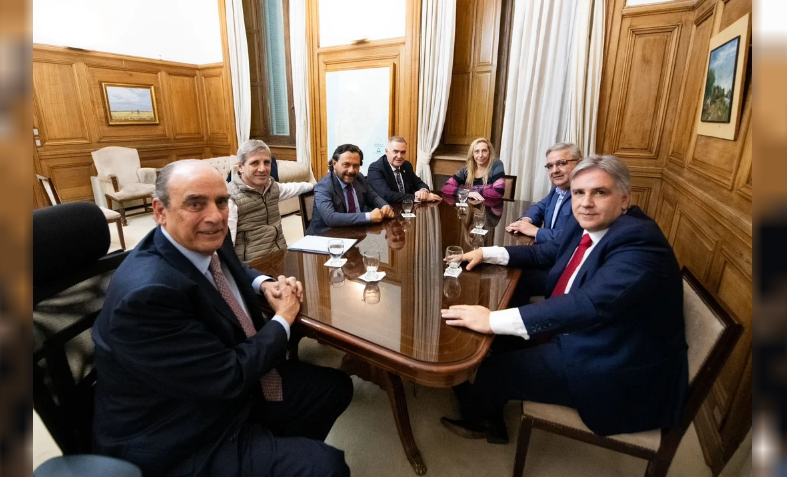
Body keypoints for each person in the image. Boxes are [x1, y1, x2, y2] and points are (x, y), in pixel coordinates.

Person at [92, 160, 353, 477]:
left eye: (221, 201)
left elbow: (231, 268)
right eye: (195, 203)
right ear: (159, 211)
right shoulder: (147, 296)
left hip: (217, 389)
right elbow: (229, 375)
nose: (215, 215)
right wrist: (282, 319)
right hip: (180, 432)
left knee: (334, 387)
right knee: (327, 468)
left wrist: (265, 283)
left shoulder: (206, 235)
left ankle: (274, 449)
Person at [439, 155, 688, 444]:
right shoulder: (585, 222)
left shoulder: (640, 242)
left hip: (610, 357)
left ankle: (483, 422)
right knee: (501, 341)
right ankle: (488, 400)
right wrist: (486, 253)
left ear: (624, 199)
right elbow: (544, 253)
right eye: (579, 192)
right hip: (587, 328)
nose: (585, 202)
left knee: (497, 367)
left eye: (600, 192)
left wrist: (491, 319)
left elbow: (588, 304)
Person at [228, 140, 313, 262]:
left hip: (280, 257)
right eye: (255, 163)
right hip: (253, 268)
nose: (262, 169)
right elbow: (226, 247)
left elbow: (295, 188)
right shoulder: (230, 198)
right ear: (241, 167)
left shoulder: (272, 187)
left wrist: (315, 185)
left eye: (266, 162)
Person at [307, 143, 395, 235]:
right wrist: (368, 216)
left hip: (354, 233)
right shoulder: (324, 186)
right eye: (346, 165)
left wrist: (385, 207)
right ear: (334, 163)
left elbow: (373, 197)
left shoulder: (359, 178)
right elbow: (330, 218)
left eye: (356, 166)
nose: (351, 170)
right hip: (325, 237)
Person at [506, 142, 582, 243]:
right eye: (550, 166)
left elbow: (576, 238)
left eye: (562, 163)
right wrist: (526, 221)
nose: (555, 170)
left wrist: (536, 232)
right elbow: (540, 207)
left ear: (579, 164)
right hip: (546, 250)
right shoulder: (557, 189)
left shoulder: (585, 195)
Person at [366, 136, 441, 203]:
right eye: (395, 151)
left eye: (403, 152)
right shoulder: (376, 168)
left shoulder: (406, 165)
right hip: (386, 210)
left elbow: (418, 183)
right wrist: (418, 198)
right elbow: (386, 195)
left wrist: (423, 191)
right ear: (387, 152)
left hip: (407, 209)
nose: (399, 156)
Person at [441, 138, 506, 200]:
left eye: (484, 151)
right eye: (477, 151)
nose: (480, 155)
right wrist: (468, 193)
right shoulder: (466, 169)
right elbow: (446, 187)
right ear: (472, 154)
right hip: (469, 208)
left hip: (489, 209)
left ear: (489, 153)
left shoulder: (496, 165)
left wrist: (474, 192)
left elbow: (498, 192)